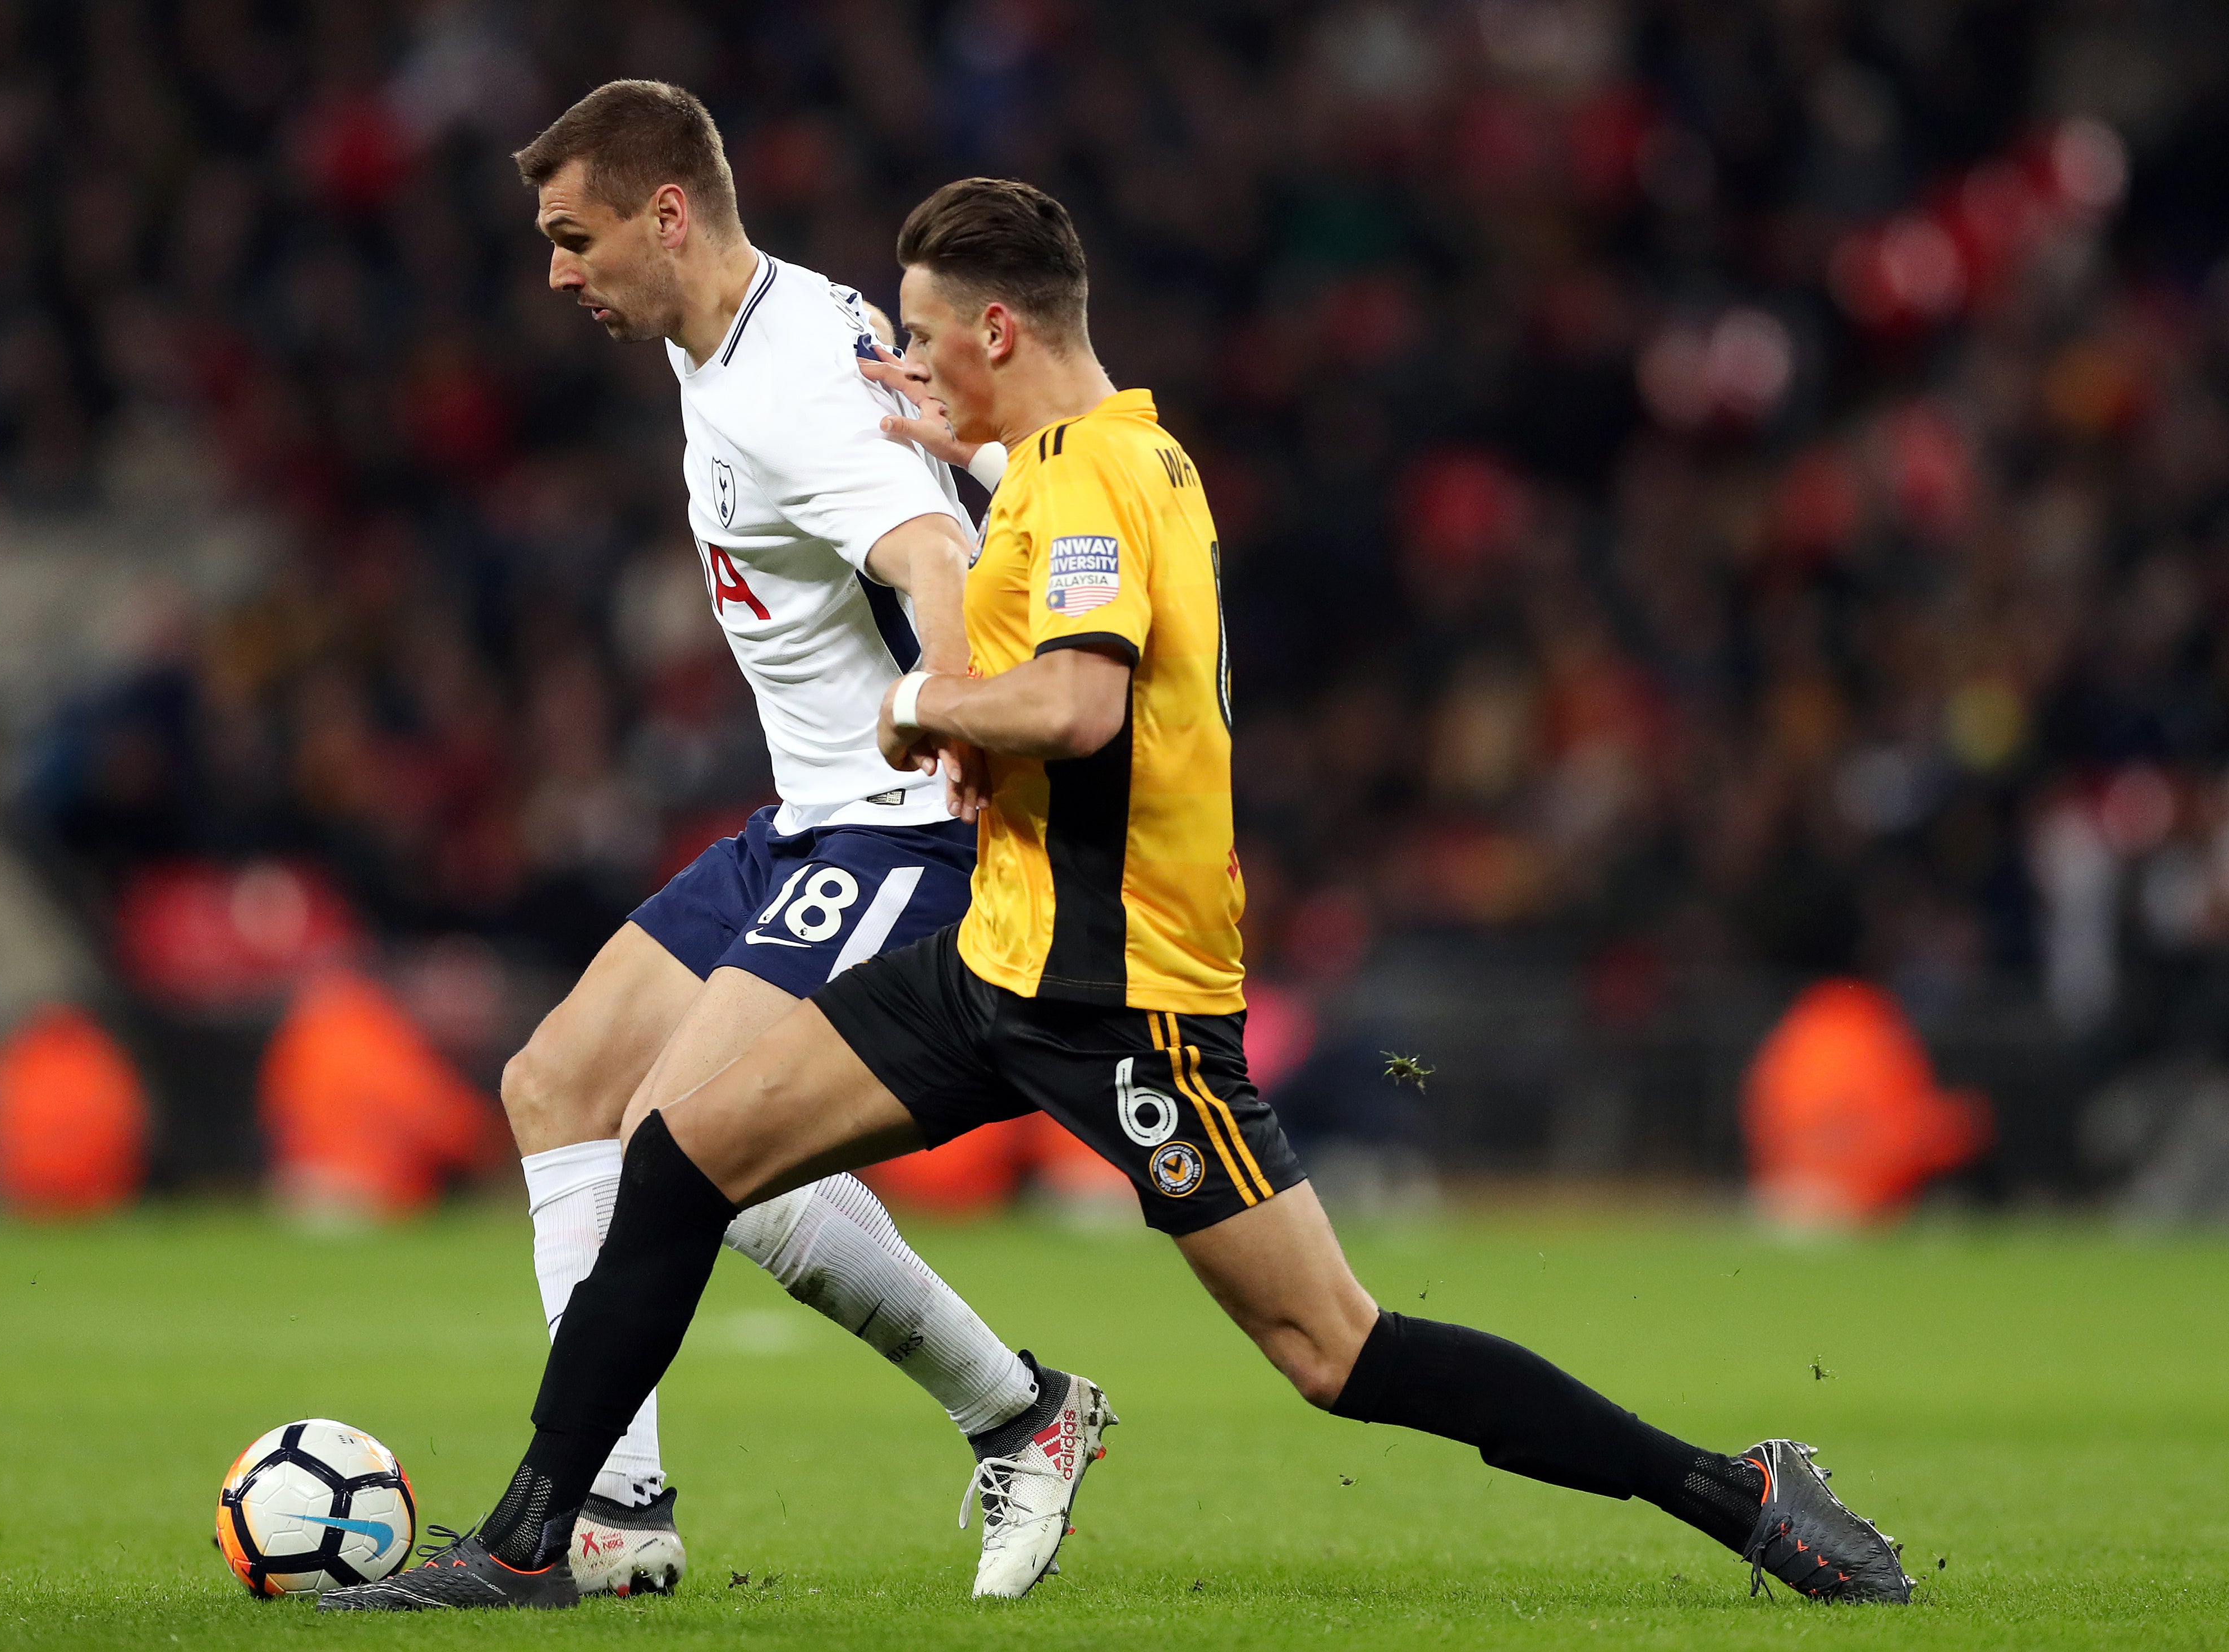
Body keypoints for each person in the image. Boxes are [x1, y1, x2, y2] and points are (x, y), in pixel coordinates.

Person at [335, 176, 1915, 1613]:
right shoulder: (1066, 456)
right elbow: (1014, 513)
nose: (905, 359)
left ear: (1000, 327)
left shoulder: (1092, 484)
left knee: (1333, 1350)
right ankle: (535, 1537)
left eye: (928, 337)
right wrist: (937, 435)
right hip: (989, 961)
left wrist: (927, 709)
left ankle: (1739, 1489)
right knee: (676, 1154)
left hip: (1123, 1004)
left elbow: (1081, 707)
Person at [351, 82, 1112, 1609]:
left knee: (689, 1145)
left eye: (575, 237)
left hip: (894, 830)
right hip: (800, 820)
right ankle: (637, 1501)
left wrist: (959, 722)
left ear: (668, 213)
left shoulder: (783, 386)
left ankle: (593, 1519)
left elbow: (932, 550)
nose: (557, 270)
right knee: (555, 1082)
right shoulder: (752, 332)